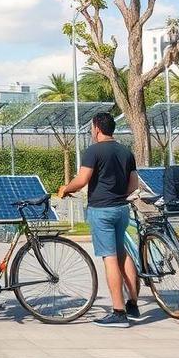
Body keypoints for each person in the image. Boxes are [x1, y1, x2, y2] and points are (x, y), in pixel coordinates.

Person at [58, 112, 142, 328]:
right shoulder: (126, 151)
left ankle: (118, 312)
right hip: (121, 209)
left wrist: (66, 188)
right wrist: (118, 194)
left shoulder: (93, 151)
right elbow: (134, 185)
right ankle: (133, 304)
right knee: (123, 254)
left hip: (101, 210)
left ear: (96, 128)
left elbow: (82, 179)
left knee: (110, 258)